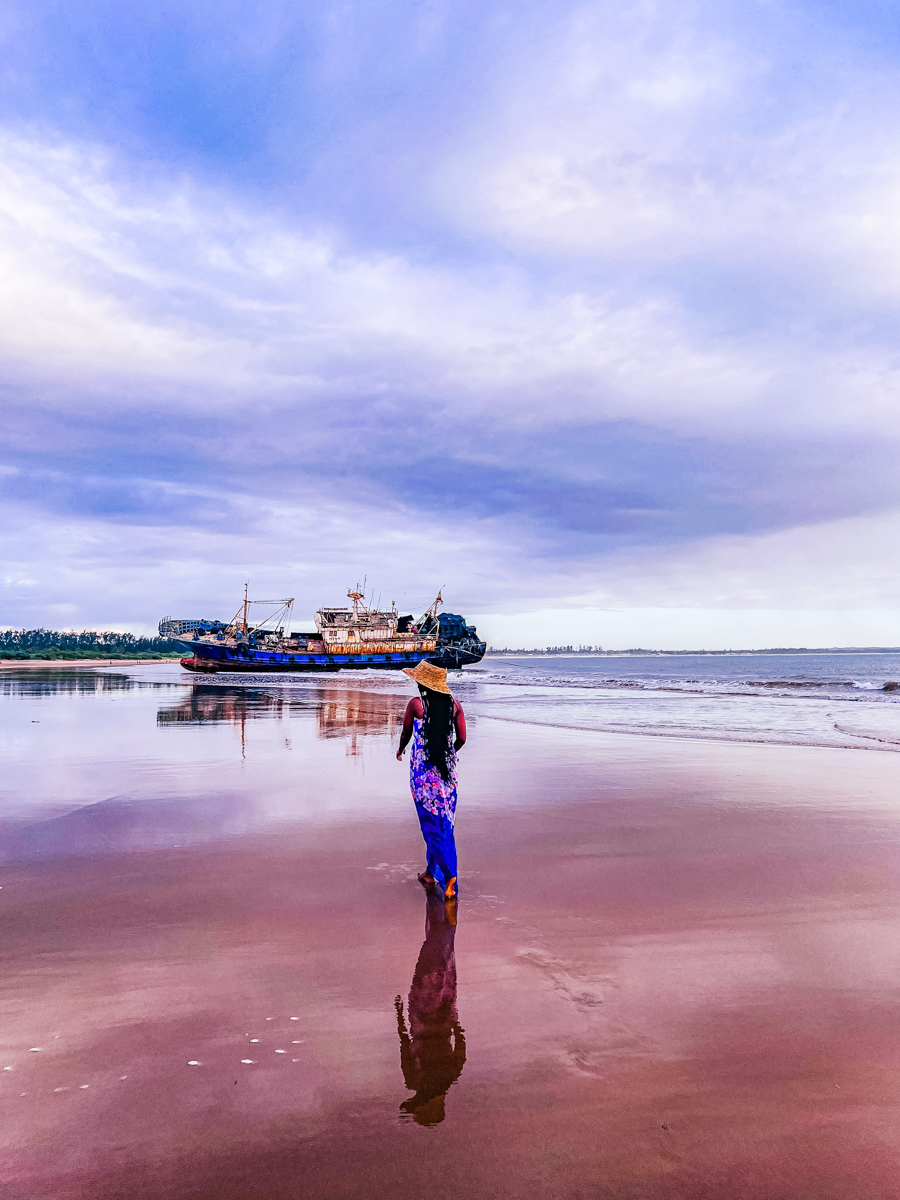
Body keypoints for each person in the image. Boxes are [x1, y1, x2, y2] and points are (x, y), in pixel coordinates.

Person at [396, 661, 466, 900]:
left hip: (423, 774)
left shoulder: (416, 705)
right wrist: (450, 752)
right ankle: (430, 872)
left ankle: (448, 876)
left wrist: (400, 749)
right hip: (448, 773)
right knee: (444, 822)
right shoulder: (454, 705)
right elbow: (462, 738)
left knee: (430, 824)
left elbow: (406, 731)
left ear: (422, 683)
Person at [394, 890, 466, 1126]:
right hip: (429, 1017)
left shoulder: (433, 1078)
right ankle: (442, 912)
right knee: (432, 963)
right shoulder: (418, 1080)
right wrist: (399, 1017)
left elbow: (460, 1050)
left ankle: (442, 913)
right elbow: (404, 1046)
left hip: (436, 1015)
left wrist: (456, 1025)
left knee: (436, 963)